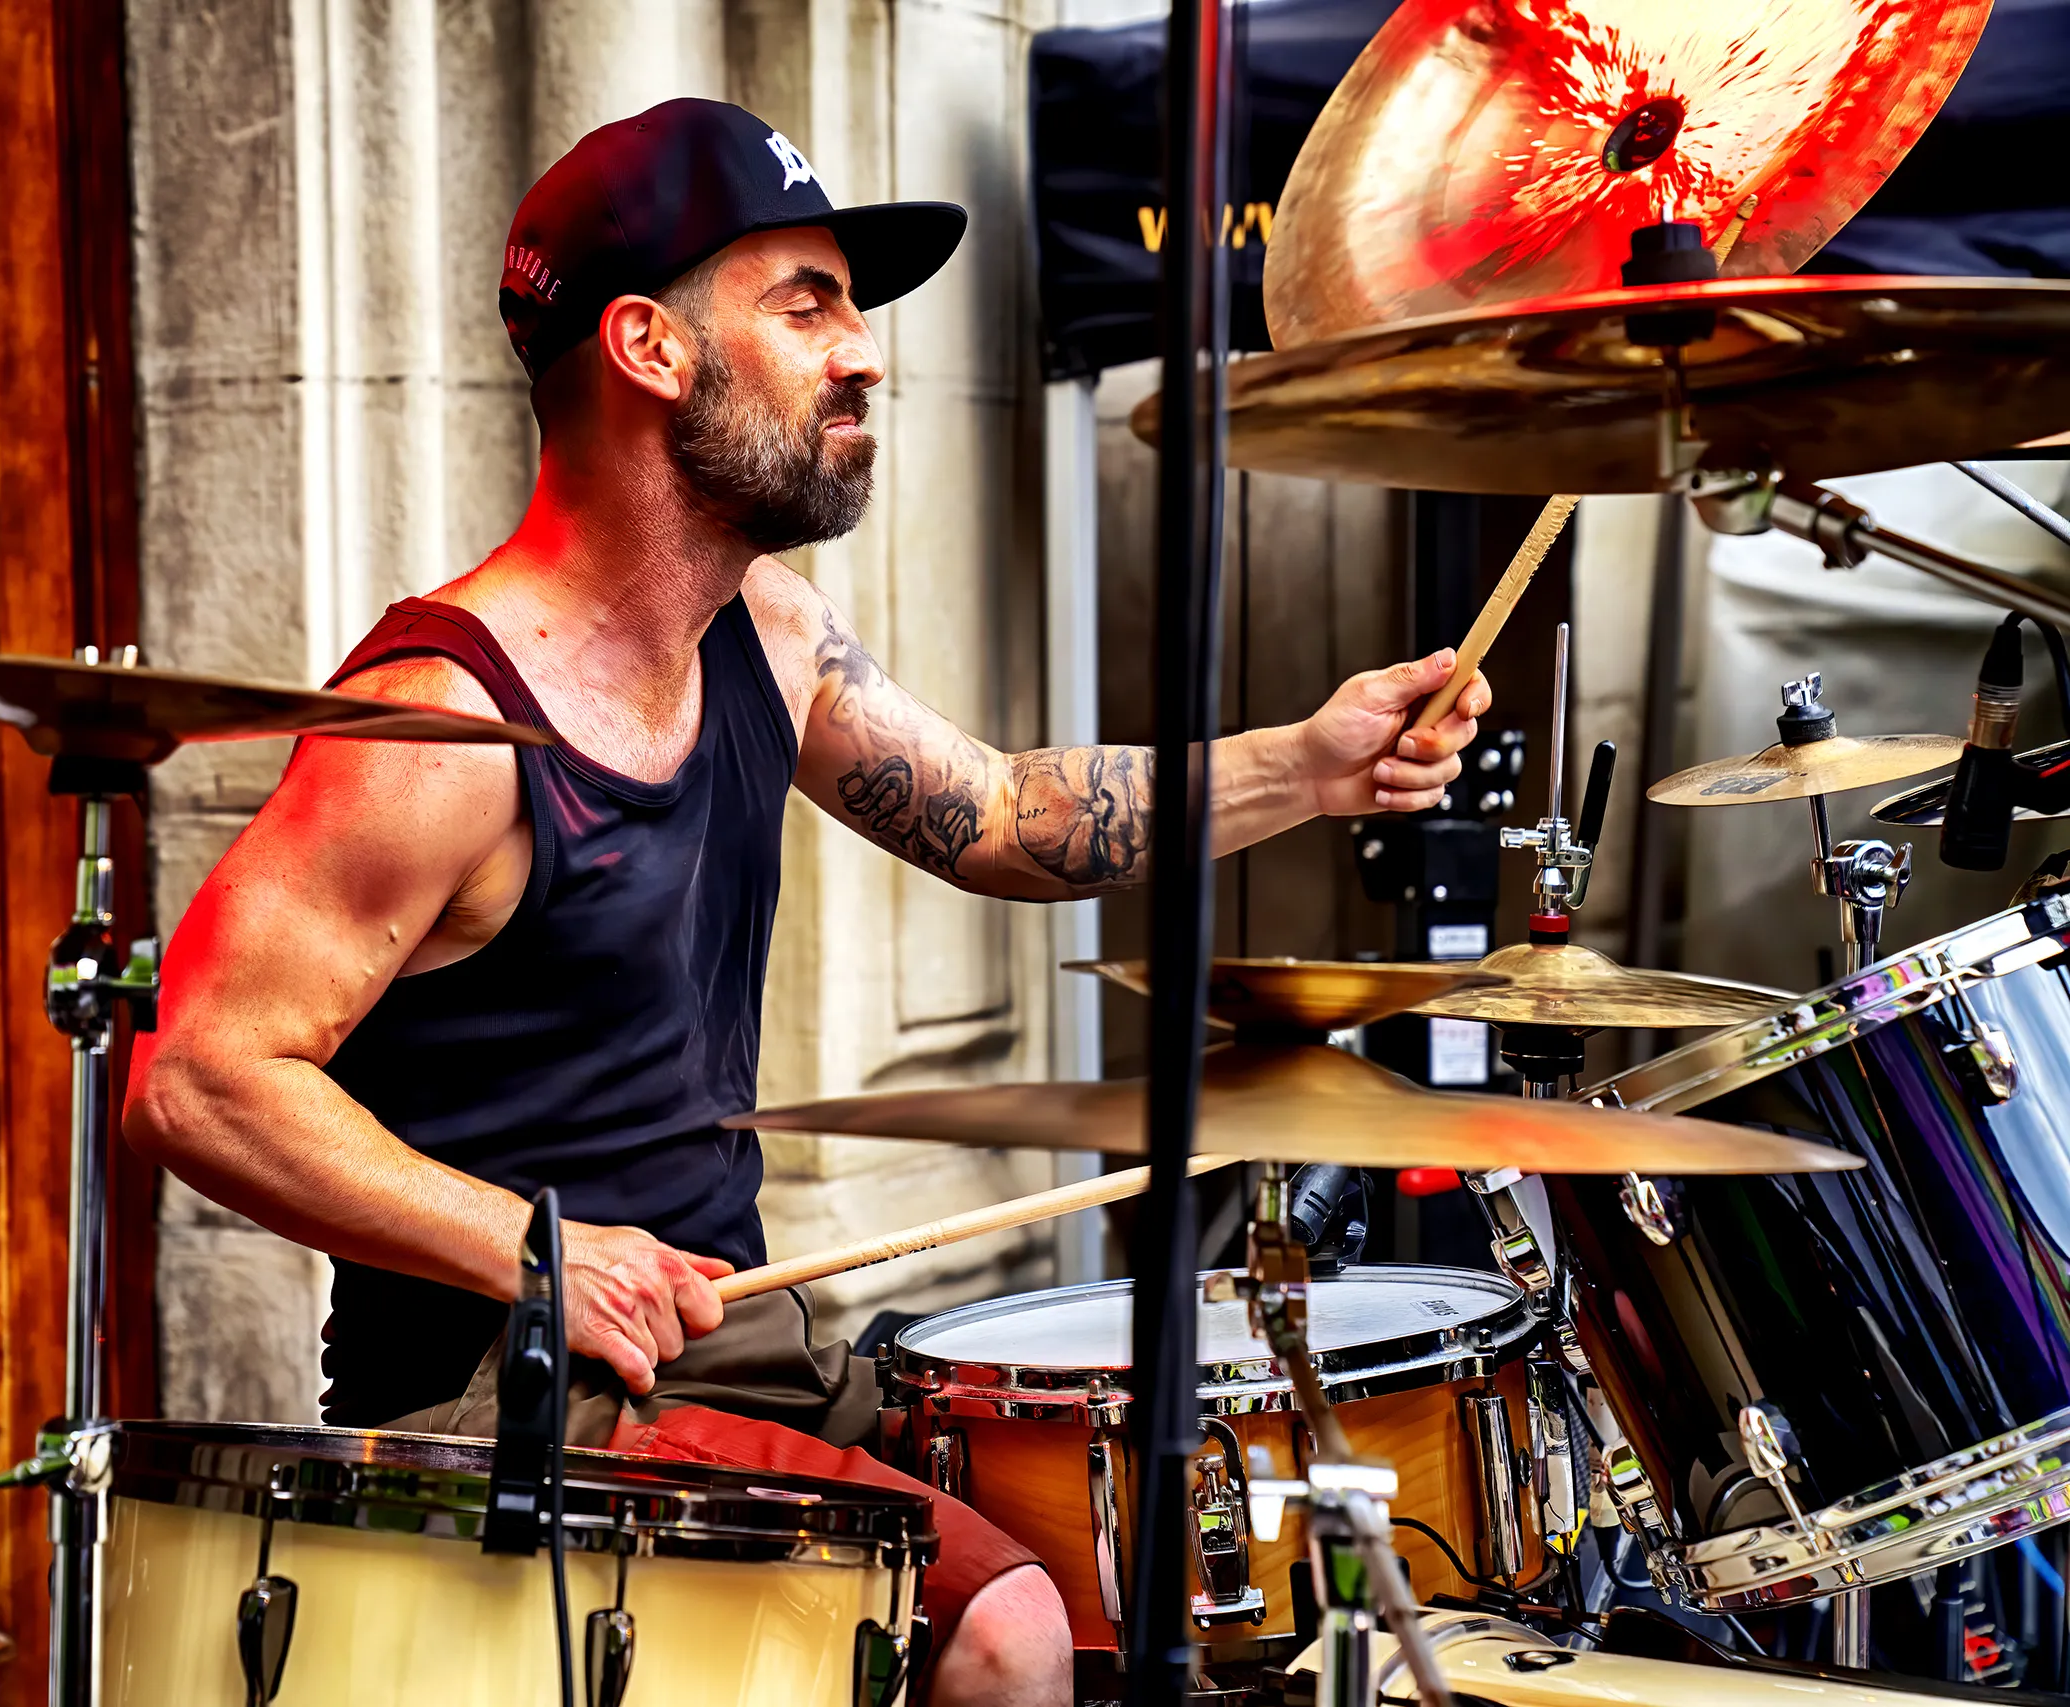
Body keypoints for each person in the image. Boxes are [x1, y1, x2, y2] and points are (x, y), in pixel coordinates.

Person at [126, 97, 1490, 1705]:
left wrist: (1308, 764)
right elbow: (199, 1076)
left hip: (729, 1346)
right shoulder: (445, 720)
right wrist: (540, 1251)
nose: (867, 354)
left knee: (1134, 1571)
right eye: (808, 303)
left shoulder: (765, 633)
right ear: (648, 346)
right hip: (513, 1396)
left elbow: (999, 812)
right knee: (1001, 1626)